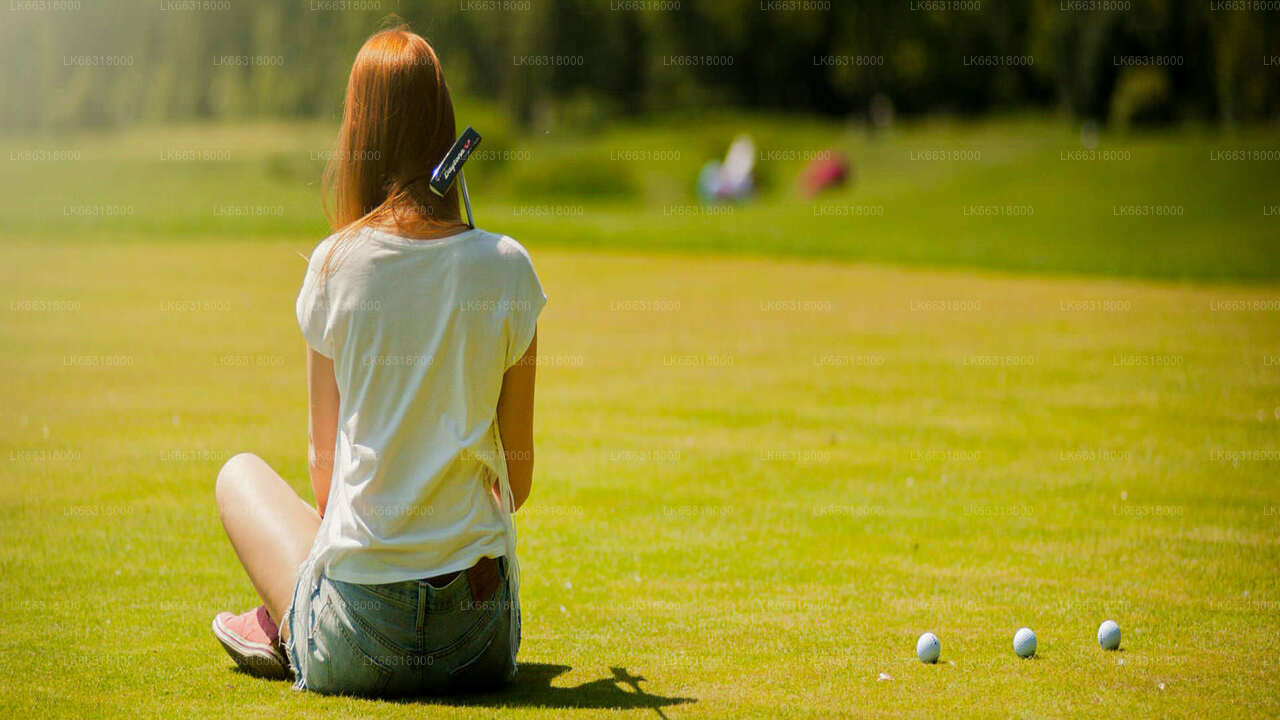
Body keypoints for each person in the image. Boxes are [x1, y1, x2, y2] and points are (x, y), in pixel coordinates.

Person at [210, 25, 545, 697]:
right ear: (445, 128)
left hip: (358, 637)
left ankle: (291, 624)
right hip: (478, 641)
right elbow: (516, 482)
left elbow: (326, 481)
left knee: (237, 475)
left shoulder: (334, 265)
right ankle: (292, 620)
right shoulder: (509, 267)